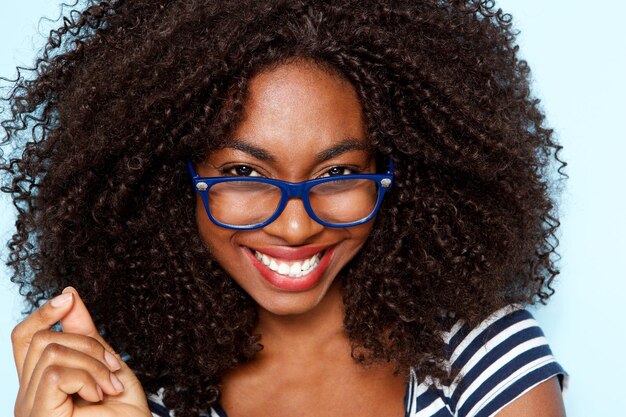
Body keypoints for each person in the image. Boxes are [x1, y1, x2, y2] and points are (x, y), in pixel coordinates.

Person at [1, 1, 568, 416]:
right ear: (169, 182)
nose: (296, 226)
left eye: (339, 173)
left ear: (402, 177)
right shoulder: (140, 399)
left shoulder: (483, 358)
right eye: (245, 173)